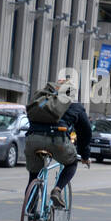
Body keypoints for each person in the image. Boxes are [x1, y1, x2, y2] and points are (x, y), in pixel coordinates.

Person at [25, 79, 91, 209]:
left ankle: (31, 219)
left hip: (33, 139)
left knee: (33, 176)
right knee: (72, 163)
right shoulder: (75, 106)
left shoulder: (42, 102)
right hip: (57, 140)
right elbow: (85, 131)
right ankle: (57, 190)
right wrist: (85, 155)